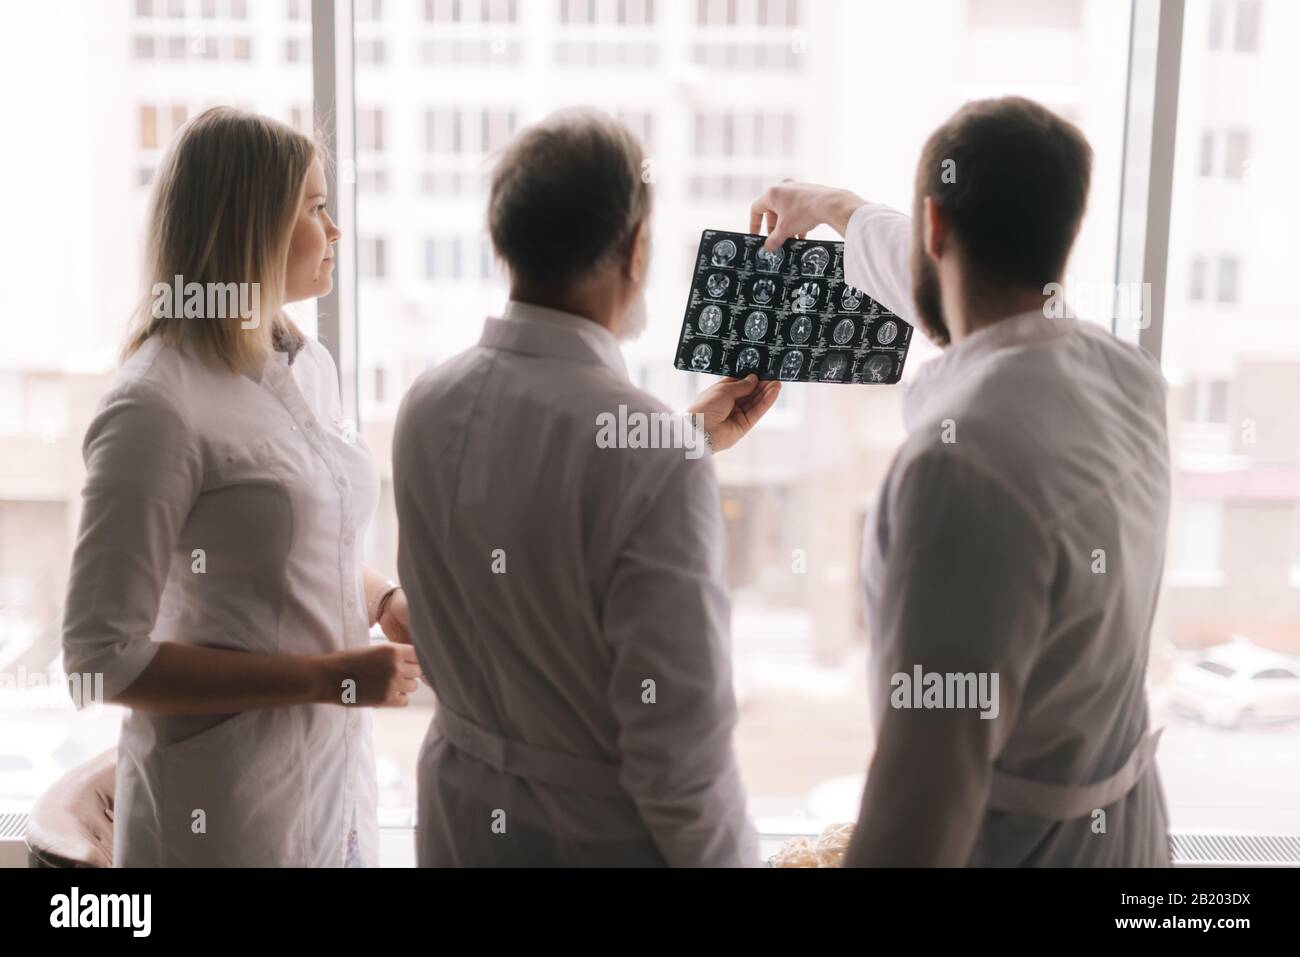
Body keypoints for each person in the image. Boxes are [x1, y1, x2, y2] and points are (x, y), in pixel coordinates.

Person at [750, 96, 1172, 866]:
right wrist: (835, 208)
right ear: (1064, 233)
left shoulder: (958, 467)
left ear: (935, 226)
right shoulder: (1128, 380)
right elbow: (941, 283)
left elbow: (922, 802)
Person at [393, 109, 778, 866]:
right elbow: (681, 758)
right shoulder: (655, 459)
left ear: (506, 242)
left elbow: (532, 522)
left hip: (456, 820)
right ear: (635, 249)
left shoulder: (425, 404)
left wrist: (678, 438)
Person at [61, 107, 419, 867]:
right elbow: (99, 657)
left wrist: (383, 601)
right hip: (223, 820)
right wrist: (328, 677)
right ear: (250, 227)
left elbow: (288, 545)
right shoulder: (154, 405)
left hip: (332, 794)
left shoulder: (304, 364)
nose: (337, 231)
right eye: (316, 209)